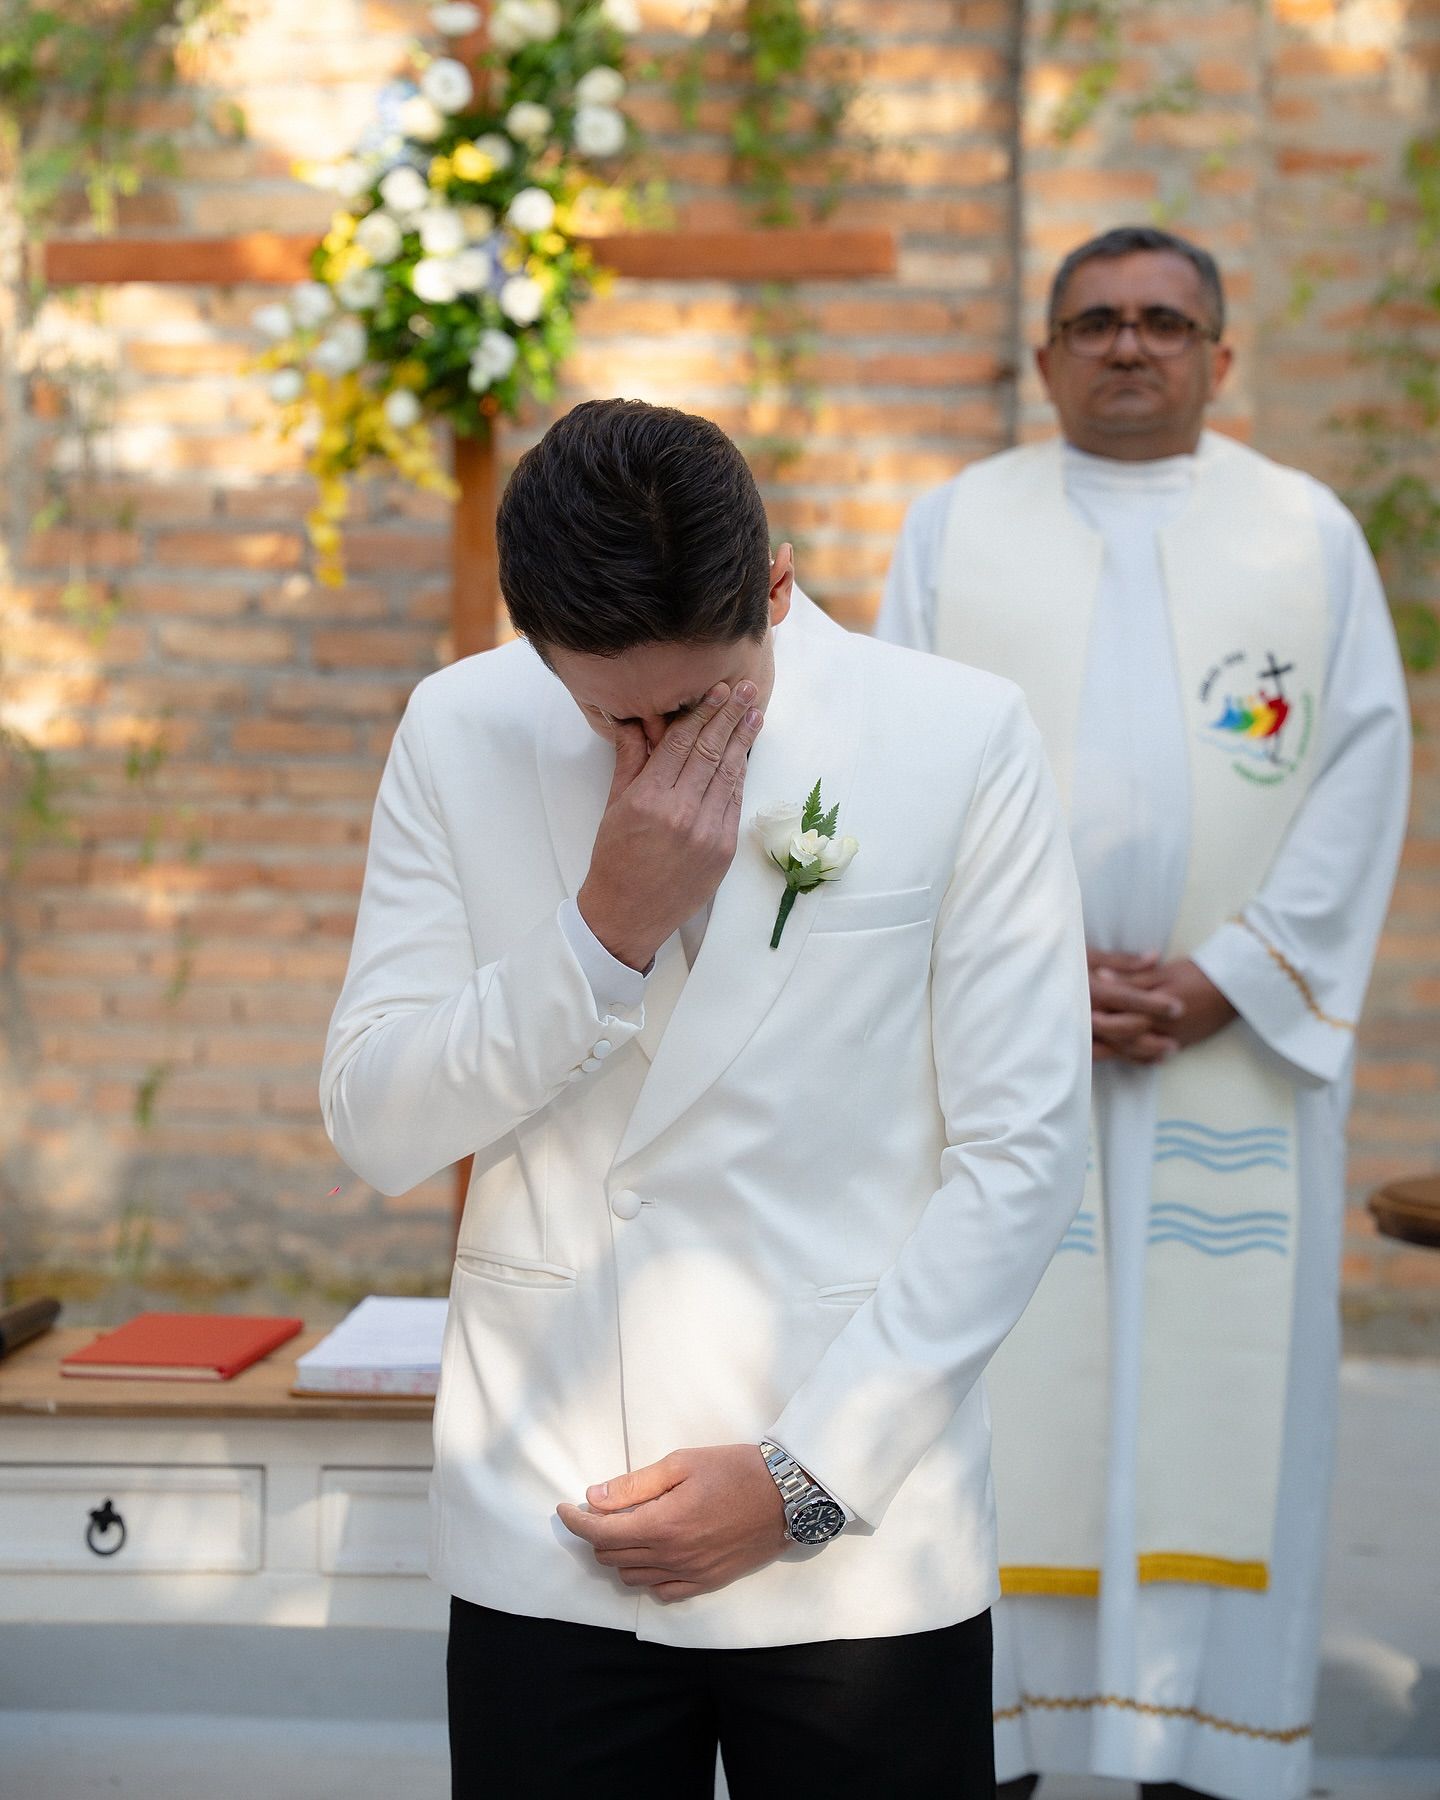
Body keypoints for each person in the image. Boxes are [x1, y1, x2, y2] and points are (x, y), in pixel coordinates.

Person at [321, 398, 1090, 1798]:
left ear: (779, 591)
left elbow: (1023, 1158)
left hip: (858, 1538)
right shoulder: (457, 729)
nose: (657, 744)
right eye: (611, 711)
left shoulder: (960, 739)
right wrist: (599, 935)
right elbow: (377, 1125)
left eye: (699, 701)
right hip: (552, 1507)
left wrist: (803, 1477)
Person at [876, 225, 1412, 1800]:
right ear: (1044, 357)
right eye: (1096, 322)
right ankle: (1009, 1752)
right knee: (1000, 1401)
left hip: (1226, 1058)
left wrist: (1230, 977)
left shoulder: (1305, 540)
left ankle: (1205, 1756)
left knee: (1224, 1423)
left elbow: (1360, 773)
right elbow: (900, 774)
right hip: (1010, 1067)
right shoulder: (955, 531)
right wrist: (1031, 977)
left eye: (1165, 324)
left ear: (1218, 360)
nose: (1129, 347)